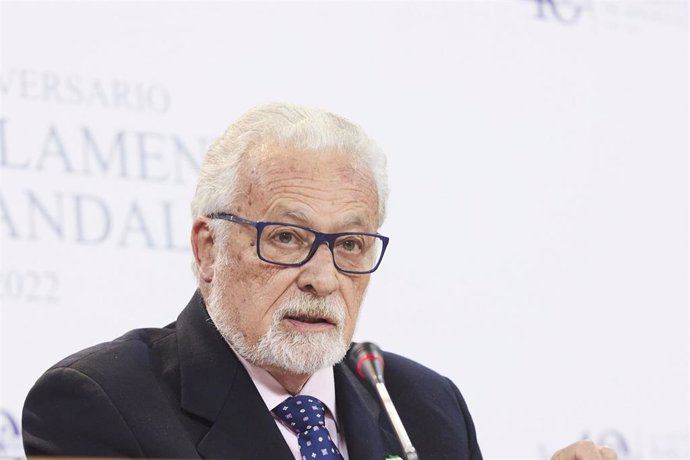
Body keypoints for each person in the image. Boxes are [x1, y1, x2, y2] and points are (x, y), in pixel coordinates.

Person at [22, 103, 617, 460]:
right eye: (286, 237)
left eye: (351, 244)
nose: (324, 278)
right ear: (209, 249)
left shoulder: (425, 406)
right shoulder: (100, 402)